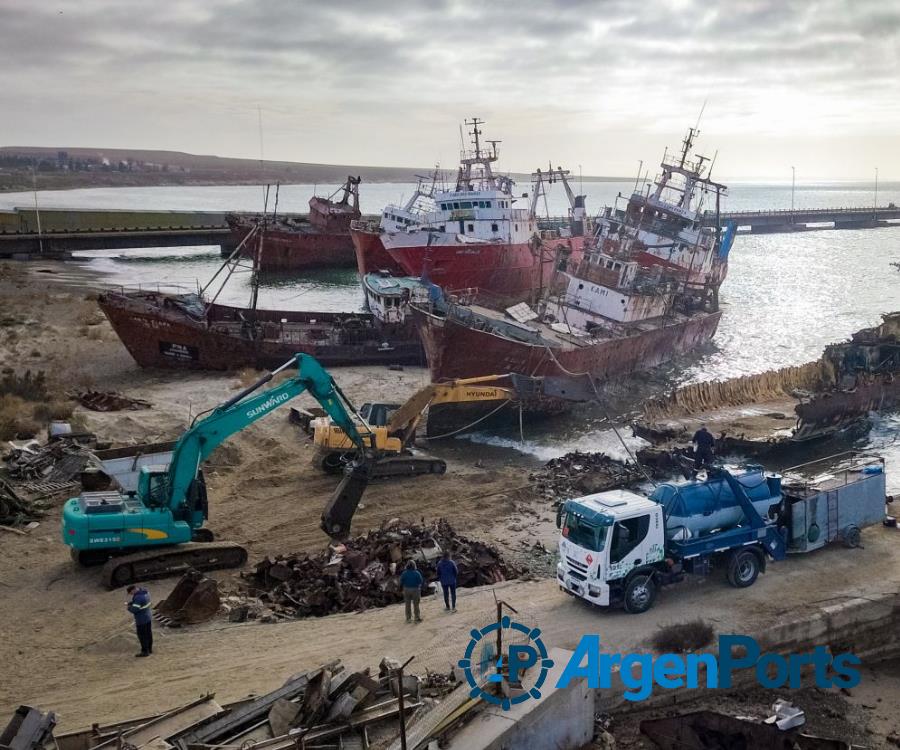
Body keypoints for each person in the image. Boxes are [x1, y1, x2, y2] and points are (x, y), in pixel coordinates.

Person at [126, 584, 153, 657]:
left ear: (133, 590)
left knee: (142, 635)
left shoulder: (138, 597)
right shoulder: (145, 593)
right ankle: (149, 649)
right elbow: (143, 603)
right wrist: (133, 603)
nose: (131, 594)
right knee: (148, 634)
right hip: (148, 616)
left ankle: (145, 651)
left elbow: (134, 610)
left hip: (141, 619)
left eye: (131, 593)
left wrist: (129, 607)